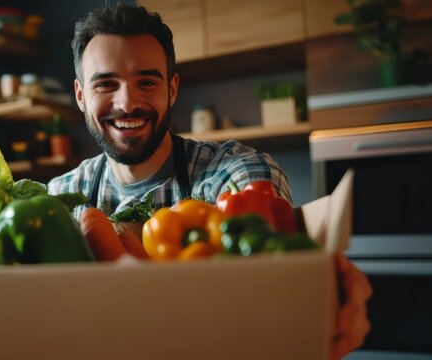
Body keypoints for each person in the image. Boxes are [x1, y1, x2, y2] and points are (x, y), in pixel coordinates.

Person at [48, 4, 372, 358]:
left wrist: (331, 283)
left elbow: (277, 278)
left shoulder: (235, 174)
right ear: (81, 96)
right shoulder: (60, 196)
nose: (127, 103)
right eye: (106, 84)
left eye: (146, 82)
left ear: (172, 89)